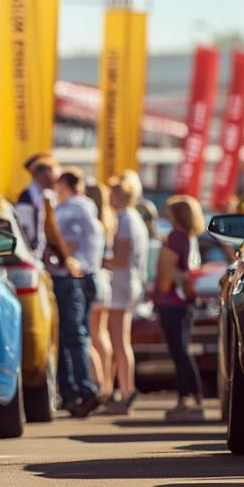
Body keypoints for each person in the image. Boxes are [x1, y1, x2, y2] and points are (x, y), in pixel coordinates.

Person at [52, 167, 105, 417]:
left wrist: (51, 252)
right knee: (76, 336)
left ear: (65, 184)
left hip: (71, 277)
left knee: (72, 336)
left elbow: (68, 242)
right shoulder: (87, 206)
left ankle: (82, 390)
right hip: (86, 276)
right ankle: (77, 391)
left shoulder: (71, 208)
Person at [154, 196, 207, 422]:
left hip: (172, 302)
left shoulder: (175, 237)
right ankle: (190, 398)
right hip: (185, 302)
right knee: (182, 351)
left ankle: (189, 398)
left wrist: (161, 291)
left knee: (179, 352)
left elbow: (166, 272)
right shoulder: (190, 238)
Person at [101, 171, 149, 414]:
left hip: (121, 284)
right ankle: (120, 390)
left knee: (119, 341)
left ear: (121, 195)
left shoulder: (126, 219)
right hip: (127, 283)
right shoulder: (133, 218)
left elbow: (120, 259)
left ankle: (126, 391)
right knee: (120, 340)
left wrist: (98, 261)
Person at [84, 179, 115, 405]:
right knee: (101, 335)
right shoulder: (109, 219)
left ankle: (99, 385)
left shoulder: (91, 221)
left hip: (93, 279)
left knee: (90, 336)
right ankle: (107, 384)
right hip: (105, 281)